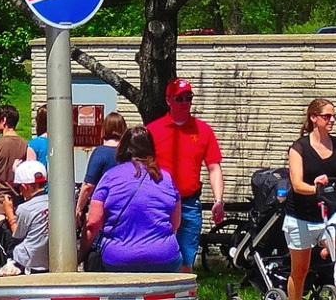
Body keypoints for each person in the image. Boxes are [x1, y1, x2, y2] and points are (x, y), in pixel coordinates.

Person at [285, 99, 336, 300]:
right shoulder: (299, 148)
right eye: (327, 116)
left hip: (331, 213)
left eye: (334, 116)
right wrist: (317, 188)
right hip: (301, 216)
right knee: (300, 271)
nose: (332, 120)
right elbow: (297, 185)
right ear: (313, 118)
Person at [149, 79, 225, 267]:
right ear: (168, 100)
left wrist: (218, 200)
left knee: (185, 261)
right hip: (160, 204)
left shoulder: (203, 131)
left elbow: (214, 167)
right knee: (158, 259)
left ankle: (185, 286)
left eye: (188, 98)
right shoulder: (153, 131)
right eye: (179, 98)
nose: (185, 103)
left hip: (189, 205)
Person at [86, 126, 182, 272]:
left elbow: (93, 222)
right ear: (151, 149)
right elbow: (175, 224)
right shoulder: (166, 178)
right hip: (164, 258)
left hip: (118, 259)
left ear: (122, 148)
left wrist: (82, 252)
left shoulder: (109, 177)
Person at [0, 158, 50, 276]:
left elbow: (17, 235)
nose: (19, 192)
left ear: (24, 187)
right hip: (48, 257)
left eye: (18, 188)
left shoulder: (25, 208)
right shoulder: (54, 203)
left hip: (28, 262)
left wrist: (9, 212)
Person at [78, 113, 128, 218]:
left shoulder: (100, 153)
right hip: (126, 206)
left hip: (104, 207)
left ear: (105, 128)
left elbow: (88, 185)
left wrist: (79, 208)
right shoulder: (129, 153)